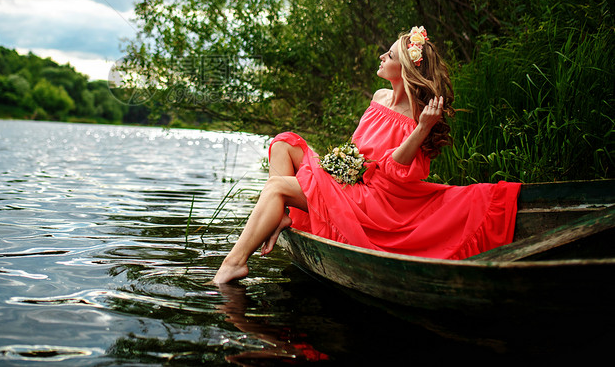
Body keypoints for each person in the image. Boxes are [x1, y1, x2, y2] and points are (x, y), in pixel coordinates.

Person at [212, 26, 521, 284]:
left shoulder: (419, 116)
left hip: (372, 201)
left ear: (404, 69)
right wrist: (339, 166)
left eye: (389, 55)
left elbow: (394, 171)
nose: (382, 57)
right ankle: (281, 214)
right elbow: (358, 148)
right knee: (282, 143)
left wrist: (422, 129)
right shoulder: (379, 96)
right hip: (349, 181)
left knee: (277, 187)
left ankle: (235, 262)